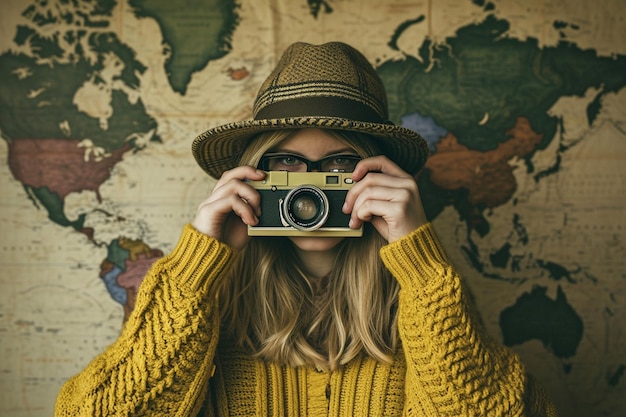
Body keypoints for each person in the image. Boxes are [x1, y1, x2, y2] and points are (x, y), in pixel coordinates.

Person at [54, 42, 558, 416]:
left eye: (339, 166)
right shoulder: (203, 307)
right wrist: (197, 264)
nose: (310, 190)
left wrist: (420, 262)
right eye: (288, 165)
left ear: (380, 176)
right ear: (253, 174)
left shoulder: (427, 302)